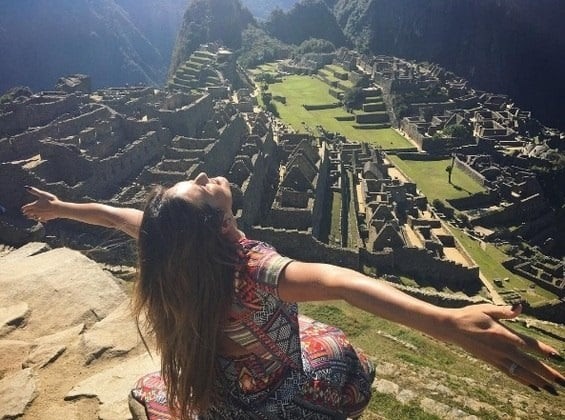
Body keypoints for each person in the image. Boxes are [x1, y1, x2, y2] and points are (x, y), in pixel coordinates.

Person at [22, 175, 564, 419]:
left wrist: (62, 208)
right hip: (273, 397)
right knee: (337, 353)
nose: (204, 176)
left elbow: (114, 215)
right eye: (200, 187)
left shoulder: (171, 252)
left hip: (217, 390)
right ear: (219, 223)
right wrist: (445, 322)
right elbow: (341, 284)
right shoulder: (257, 270)